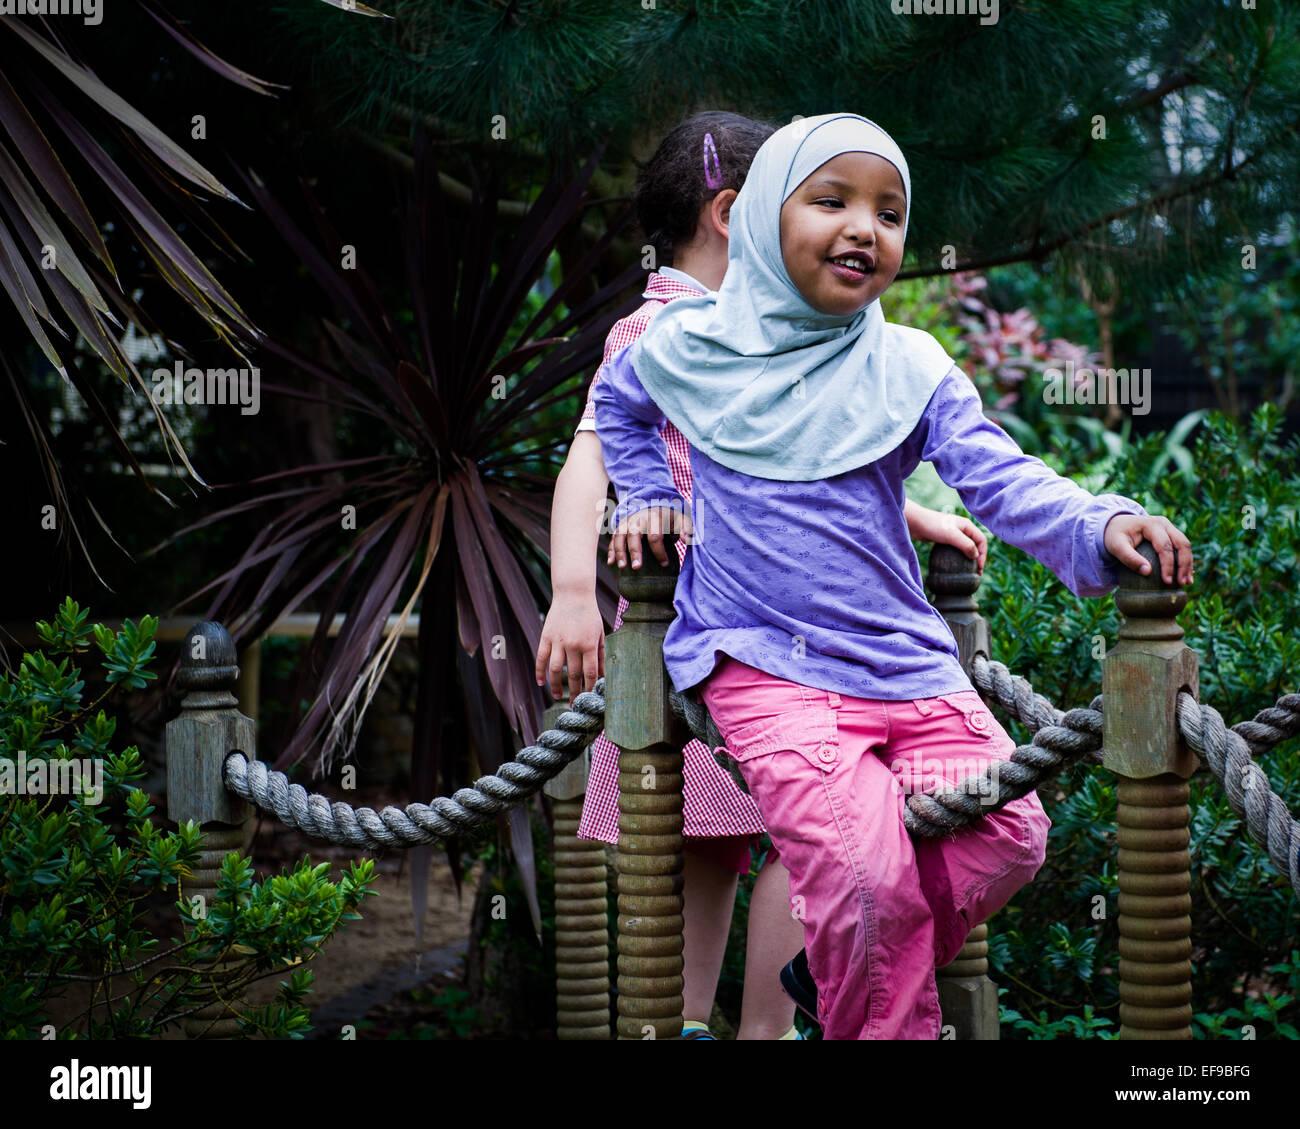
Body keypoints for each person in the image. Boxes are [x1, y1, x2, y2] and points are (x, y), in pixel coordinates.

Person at [593, 112, 1194, 1040]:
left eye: (890, 209)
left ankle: (828, 965)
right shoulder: (683, 346)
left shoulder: (908, 363)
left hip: (906, 663)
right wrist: (642, 497)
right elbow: (617, 409)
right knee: (865, 887)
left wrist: (1099, 518)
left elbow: (996, 474)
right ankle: (863, 982)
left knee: (1011, 833)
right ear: (756, 219)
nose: (864, 227)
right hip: (765, 666)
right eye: (830, 200)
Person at [536, 111, 988, 1040]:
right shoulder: (659, 329)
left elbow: (810, 459)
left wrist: (912, 512)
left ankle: (762, 1023)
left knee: (775, 836)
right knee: (729, 841)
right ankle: (712, 1022)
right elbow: (588, 460)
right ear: (737, 215)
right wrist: (573, 595)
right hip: (713, 636)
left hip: (769, 637)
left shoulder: (783, 335)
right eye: (805, 202)